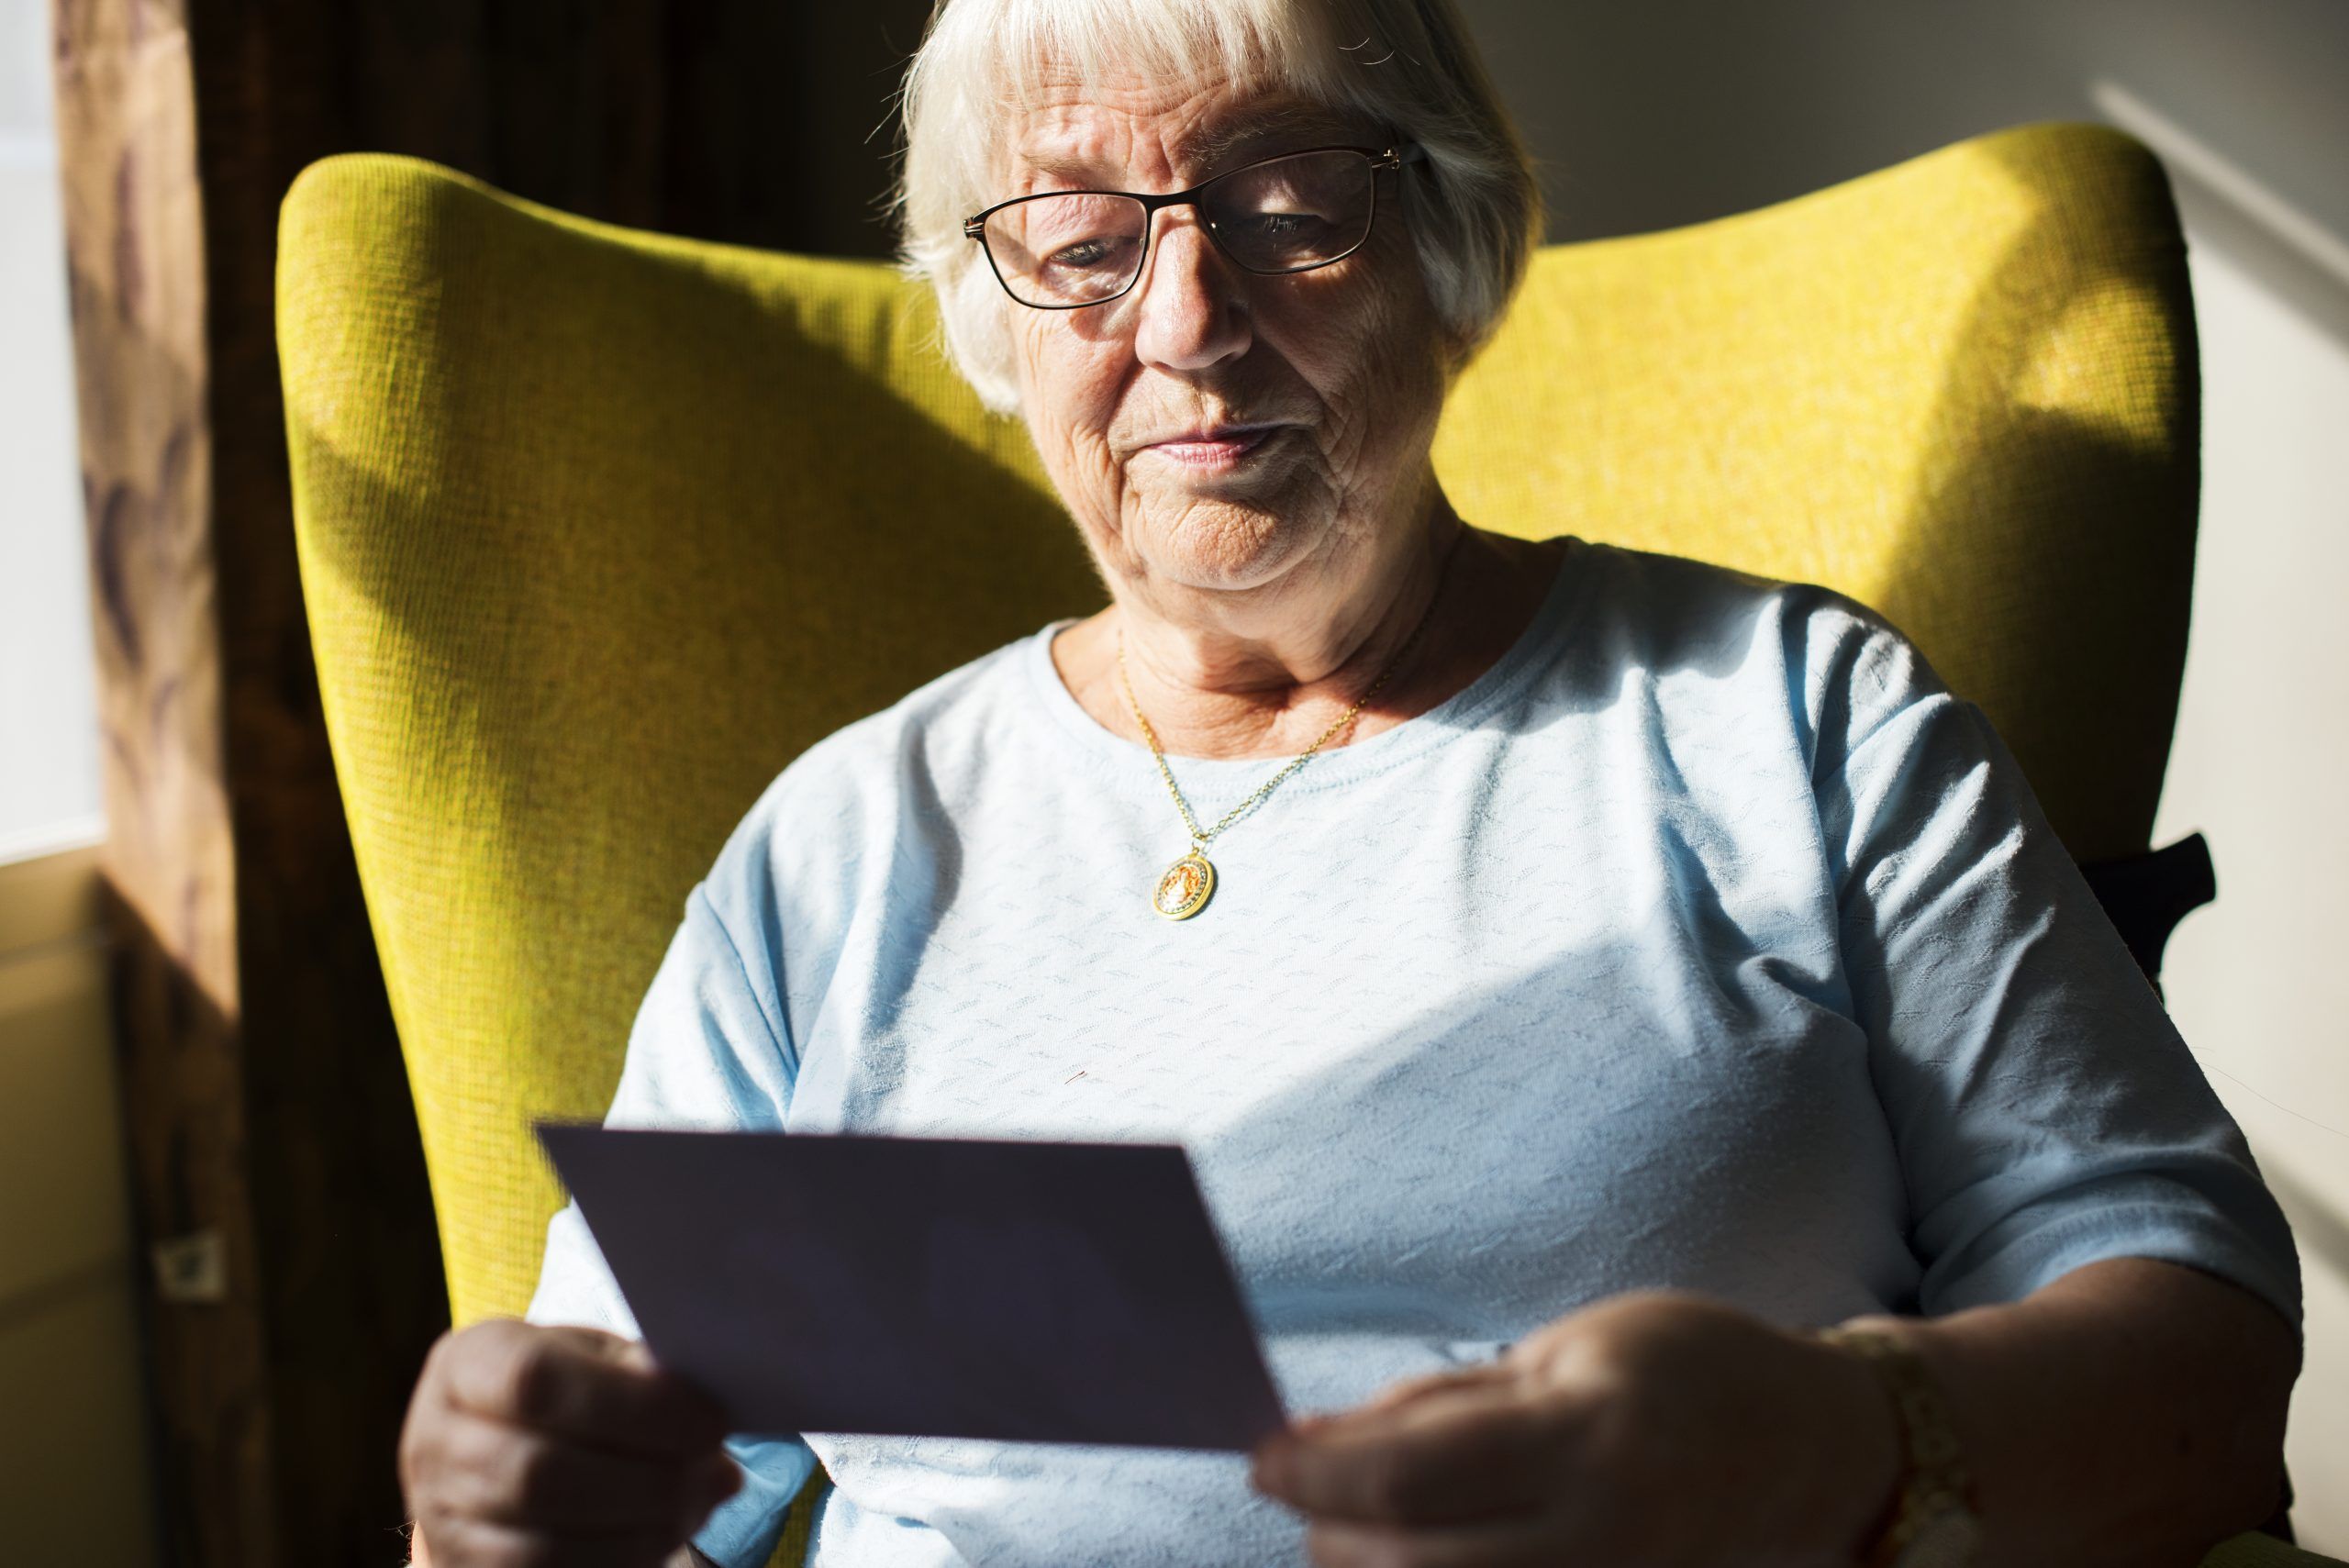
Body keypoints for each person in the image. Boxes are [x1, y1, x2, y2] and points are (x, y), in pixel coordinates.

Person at [395, 0, 2306, 1563]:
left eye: (1291, 206)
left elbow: (2201, 1369)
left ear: (1450, 253)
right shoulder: (847, 846)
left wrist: (1837, 1443)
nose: (1184, 322)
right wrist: (486, 1510)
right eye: (1076, 244)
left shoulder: (1791, 723)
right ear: (991, 315)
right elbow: (627, 1494)